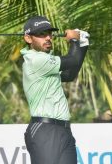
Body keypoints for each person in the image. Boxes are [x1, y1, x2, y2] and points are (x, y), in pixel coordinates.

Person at [20, 16, 89, 164]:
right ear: (28, 38)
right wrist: (74, 40)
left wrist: (83, 44)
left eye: (49, 33)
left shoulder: (47, 61)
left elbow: (69, 74)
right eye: (41, 34)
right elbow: (73, 60)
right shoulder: (35, 60)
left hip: (63, 130)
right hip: (44, 130)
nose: (48, 37)